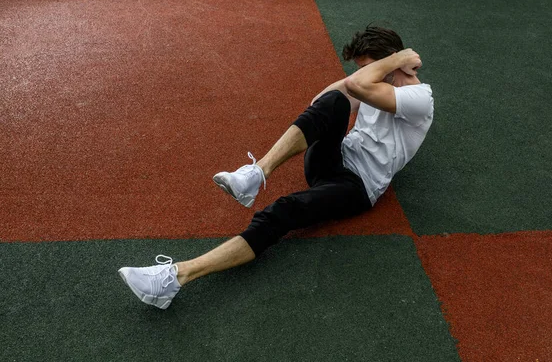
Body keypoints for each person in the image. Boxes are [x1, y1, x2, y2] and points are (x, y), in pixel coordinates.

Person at [118, 26, 434, 309]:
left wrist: (391, 62)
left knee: (284, 211)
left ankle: (175, 278)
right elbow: (320, 102)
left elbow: (358, 84)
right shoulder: (368, 82)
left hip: (357, 187)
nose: (368, 73)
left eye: (373, 66)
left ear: (391, 62)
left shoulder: (420, 99)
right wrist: (386, 64)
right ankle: (257, 174)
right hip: (331, 160)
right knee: (334, 102)